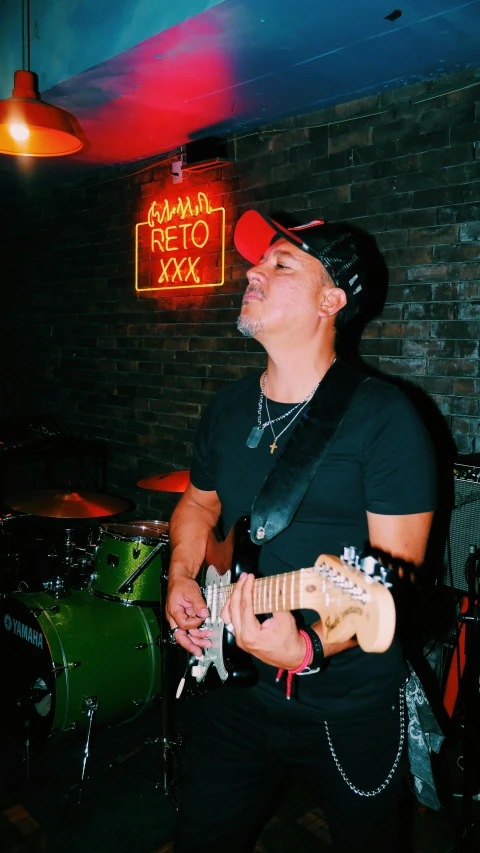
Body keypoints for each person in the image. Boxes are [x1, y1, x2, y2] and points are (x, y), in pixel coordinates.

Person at [165, 209, 436, 853]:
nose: (254, 271)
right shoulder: (227, 407)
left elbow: (391, 586)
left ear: (331, 300)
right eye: (258, 262)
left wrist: (312, 647)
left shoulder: (385, 418)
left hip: (348, 704)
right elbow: (199, 508)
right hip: (234, 690)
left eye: (281, 263)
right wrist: (180, 573)